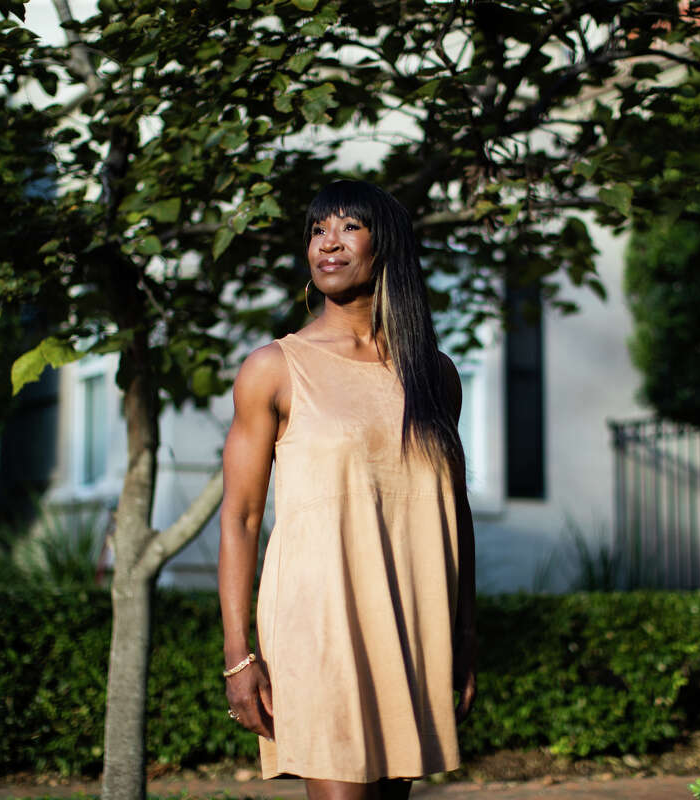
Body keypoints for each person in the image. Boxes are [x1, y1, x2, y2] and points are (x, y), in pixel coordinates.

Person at [217, 179, 477, 800]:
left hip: (413, 622)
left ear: (385, 244)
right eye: (316, 230)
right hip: (318, 626)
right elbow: (242, 517)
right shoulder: (273, 368)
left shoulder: (434, 375)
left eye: (348, 227)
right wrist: (238, 654)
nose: (326, 244)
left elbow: (455, 514)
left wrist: (464, 637)